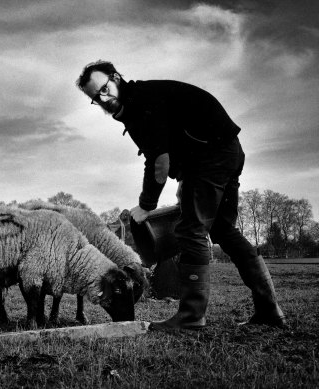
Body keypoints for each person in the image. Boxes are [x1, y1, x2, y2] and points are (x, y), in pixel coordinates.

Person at [76, 60, 286, 330]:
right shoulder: (137, 104)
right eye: (96, 98)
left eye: (104, 89)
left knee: (191, 230)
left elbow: (159, 162)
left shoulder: (142, 102)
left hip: (212, 155)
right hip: (224, 152)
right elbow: (167, 149)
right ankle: (270, 310)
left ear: (116, 78)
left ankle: (191, 316)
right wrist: (185, 180)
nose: (103, 99)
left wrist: (145, 206)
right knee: (222, 230)